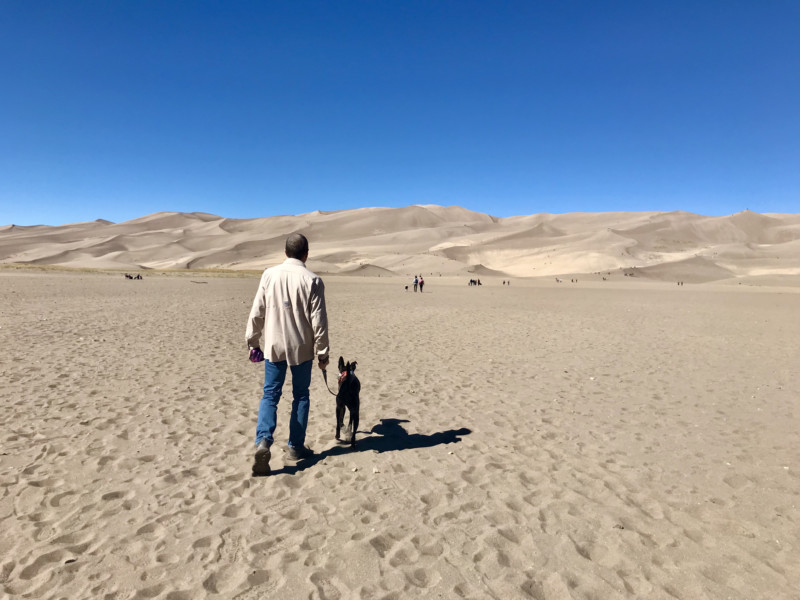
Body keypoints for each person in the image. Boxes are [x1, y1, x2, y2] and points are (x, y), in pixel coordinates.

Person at [245, 233, 330, 476]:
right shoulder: (313, 280)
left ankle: (263, 441)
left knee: (270, 394)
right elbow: (319, 322)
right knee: (301, 396)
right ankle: (295, 447)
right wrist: (323, 353)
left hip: (273, 345)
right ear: (306, 254)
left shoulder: (269, 274)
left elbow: (257, 310)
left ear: (285, 253)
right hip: (301, 349)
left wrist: (252, 341)